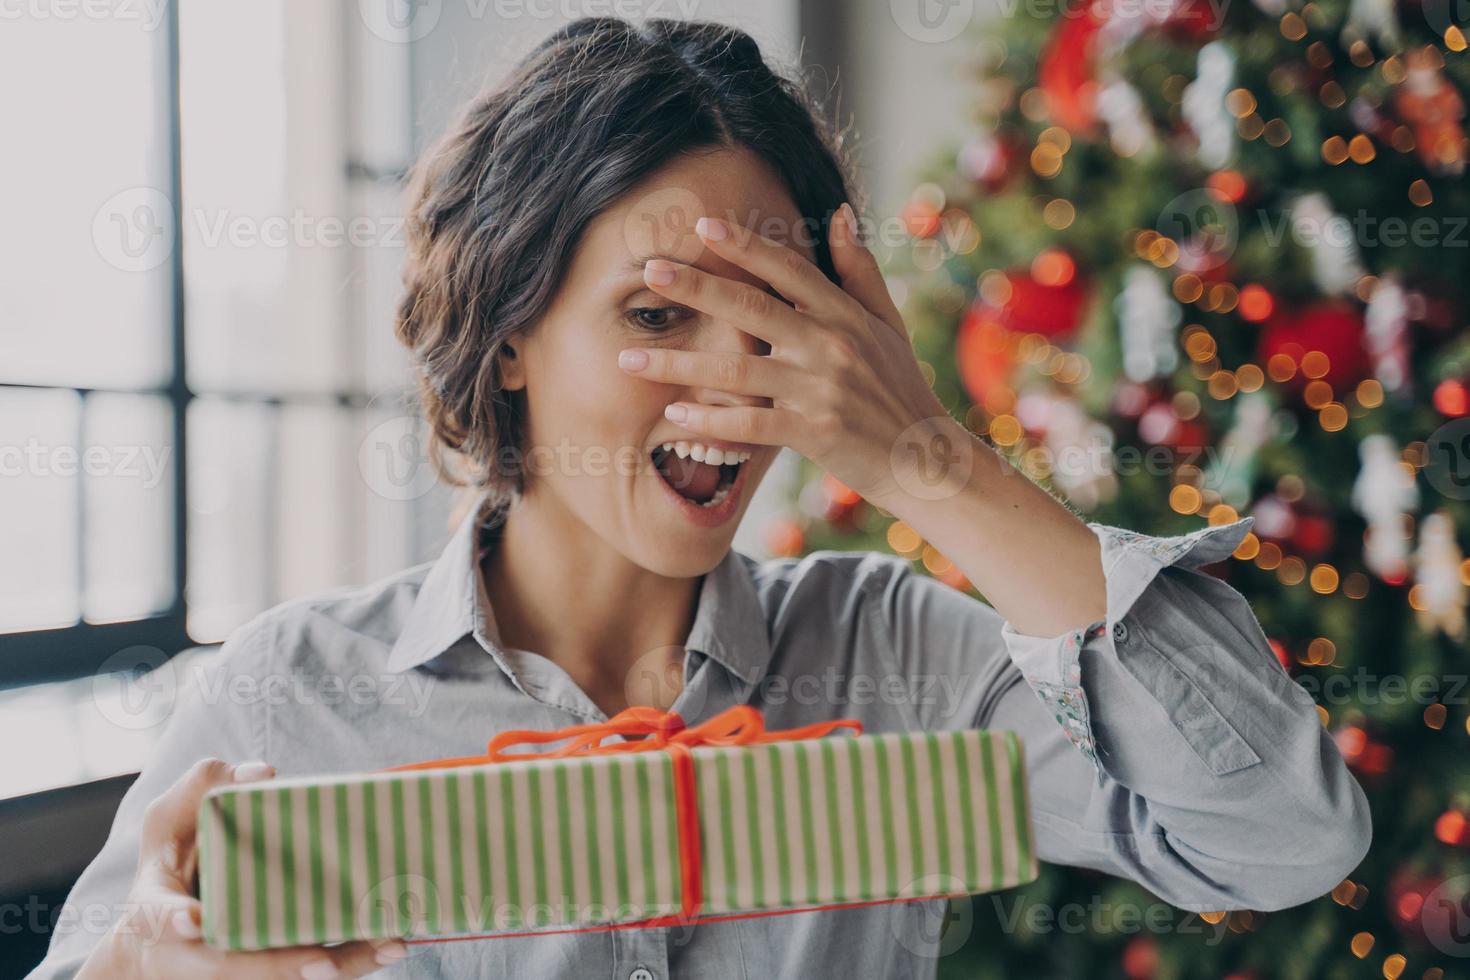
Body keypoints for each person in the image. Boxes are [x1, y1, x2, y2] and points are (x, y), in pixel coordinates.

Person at [33, 16, 1371, 980]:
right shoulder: (292, 696)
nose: (733, 388)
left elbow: (1281, 838)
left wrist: (926, 457)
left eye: (776, 322)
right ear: (509, 334)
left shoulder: (896, 658)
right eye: (659, 315)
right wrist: (144, 966)